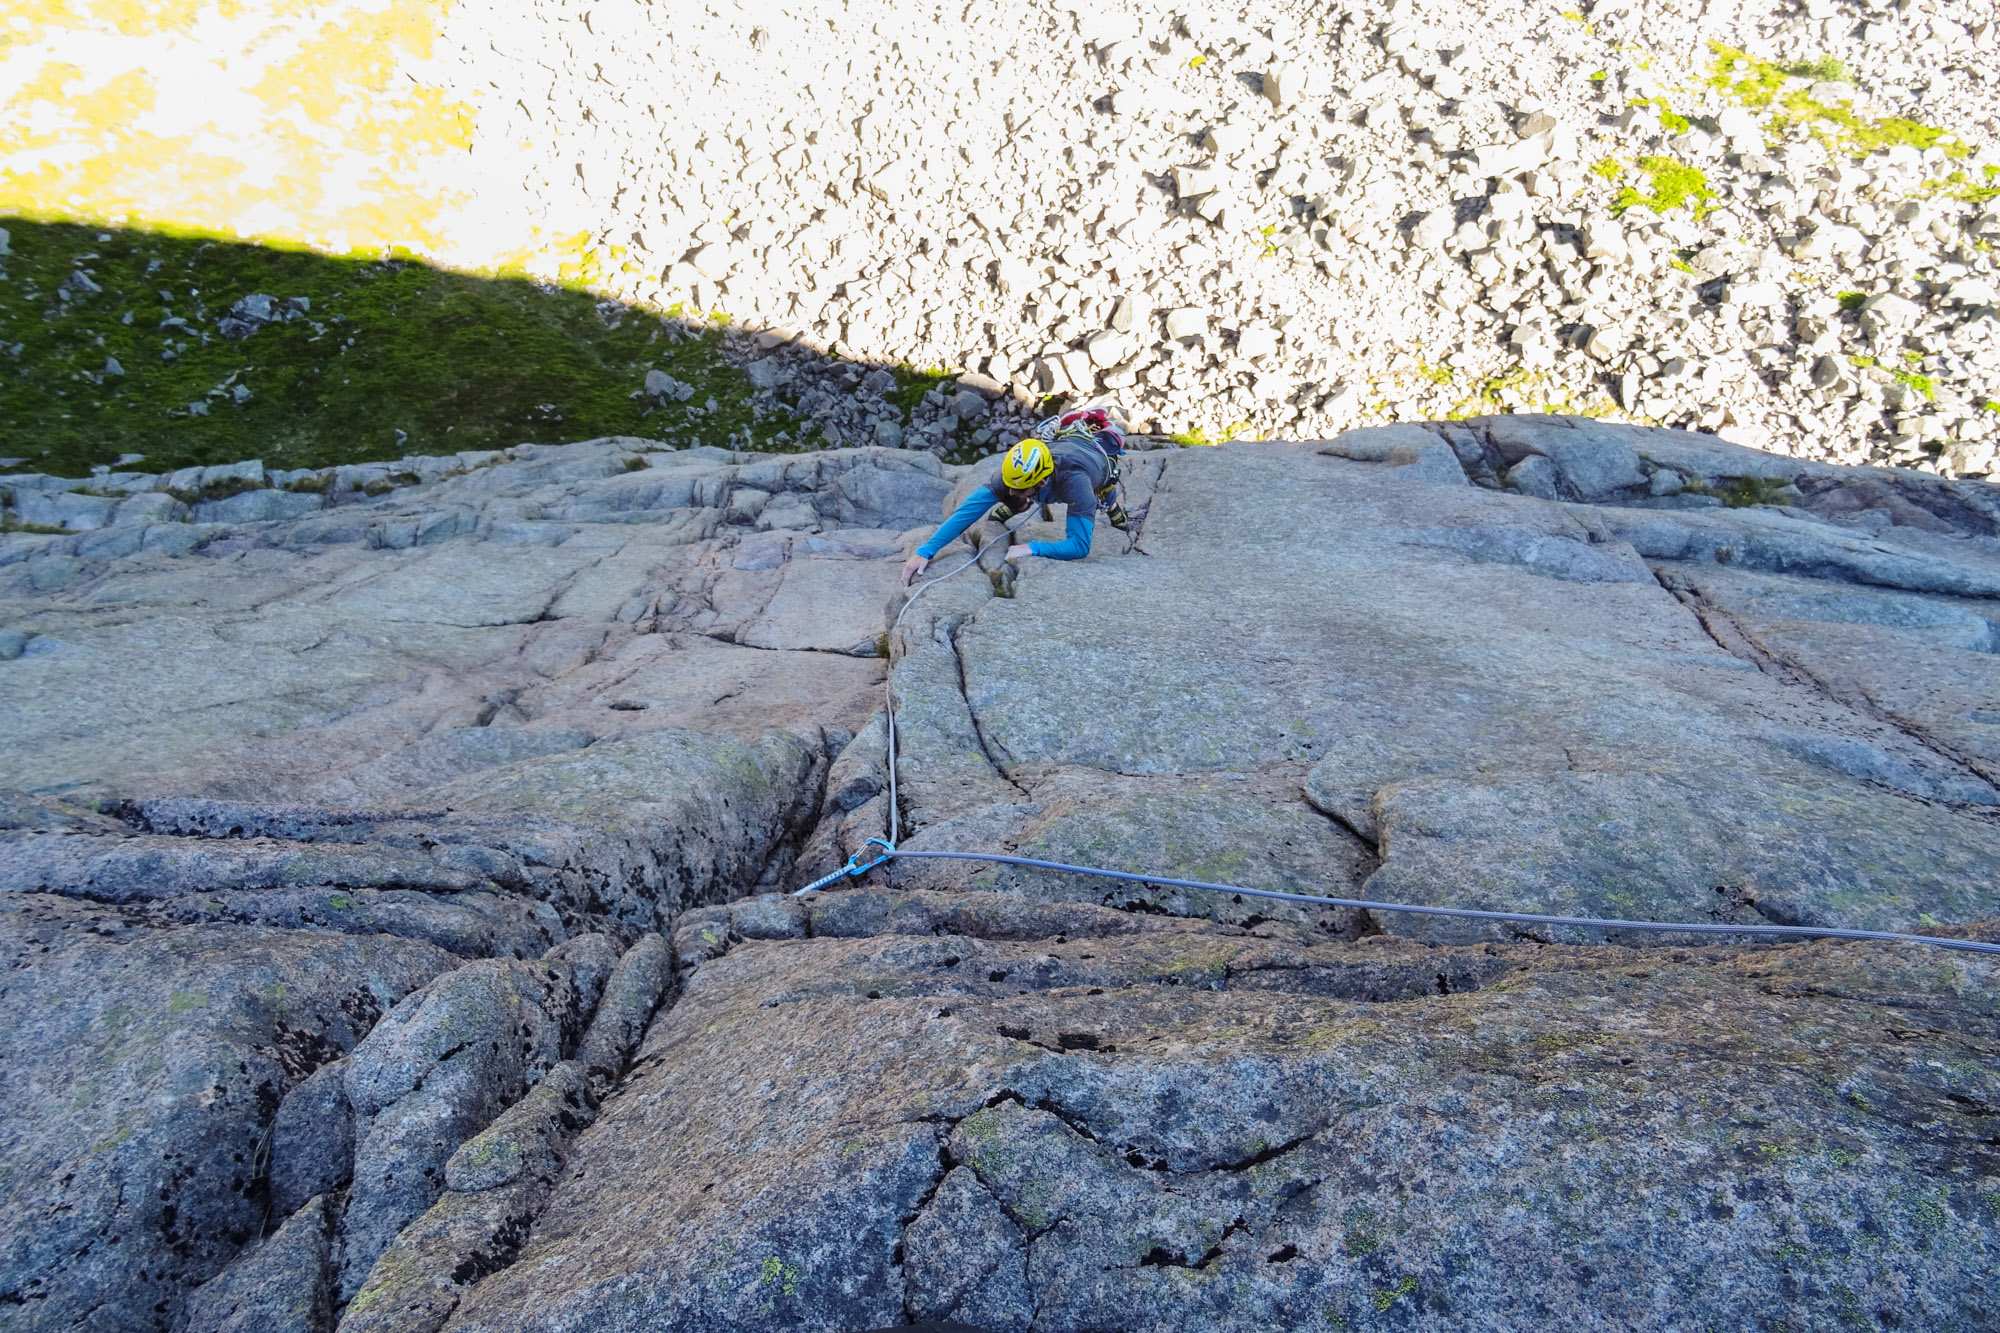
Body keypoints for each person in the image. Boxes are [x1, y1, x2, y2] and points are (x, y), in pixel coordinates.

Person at [900, 409, 1129, 586]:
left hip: (1096, 466)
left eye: (1017, 489)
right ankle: (1020, 504)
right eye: (1009, 486)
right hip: (1065, 451)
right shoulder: (1015, 477)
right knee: (1009, 494)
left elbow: (1079, 546)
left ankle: (1114, 510)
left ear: (1040, 482)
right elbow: (966, 513)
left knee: (1106, 496)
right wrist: (925, 551)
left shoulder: (1077, 484)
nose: (1008, 492)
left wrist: (1032, 547)